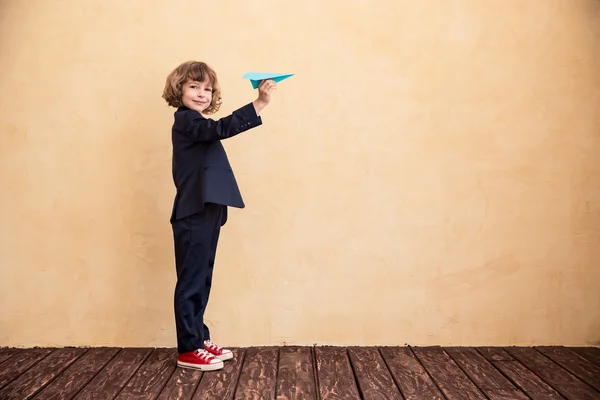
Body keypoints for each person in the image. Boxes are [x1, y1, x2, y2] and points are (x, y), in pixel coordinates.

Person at [162, 61, 276, 371]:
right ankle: (188, 349)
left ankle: (198, 337)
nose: (201, 93)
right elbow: (219, 128)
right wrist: (260, 103)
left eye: (207, 89)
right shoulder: (187, 121)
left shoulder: (196, 123)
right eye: (194, 87)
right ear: (179, 90)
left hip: (208, 209)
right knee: (191, 281)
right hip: (192, 212)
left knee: (203, 277)